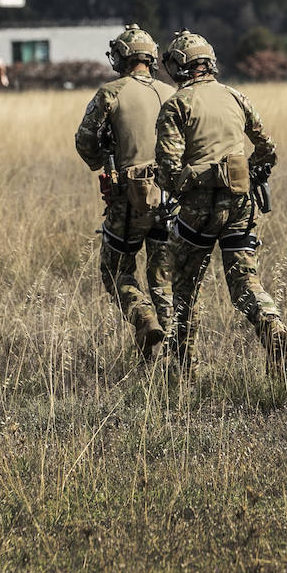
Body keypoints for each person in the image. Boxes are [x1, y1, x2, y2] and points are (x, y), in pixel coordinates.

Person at [155, 30, 287, 377]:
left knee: (185, 285)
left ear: (180, 66)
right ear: (209, 62)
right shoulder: (236, 97)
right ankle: (271, 323)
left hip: (198, 210)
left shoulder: (176, 104)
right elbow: (267, 148)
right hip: (241, 203)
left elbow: (168, 171)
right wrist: (250, 169)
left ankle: (187, 369)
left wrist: (182, 184)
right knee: (245, 281)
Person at [74, 25, 177, 360]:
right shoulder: (172, 93)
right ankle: (175, 349)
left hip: (128, 199)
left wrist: (99, 160)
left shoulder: (111, 92)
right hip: (172, 199)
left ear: (122, 56)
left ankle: (143, 317)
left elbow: (85, 141)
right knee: (163, 277)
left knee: (116, 269)